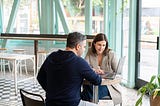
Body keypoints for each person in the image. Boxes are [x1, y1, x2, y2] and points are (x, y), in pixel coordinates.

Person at [37, 32, 102, 106]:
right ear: (78, 47)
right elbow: (97, 80)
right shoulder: (79, 61)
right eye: (84, 47)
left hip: (50, 103)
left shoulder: (51, 56)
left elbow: (40, 77)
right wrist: (91, 70)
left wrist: (53, 93)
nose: (84, 49)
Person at [81, 33, 122, 105]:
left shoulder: (111, 54)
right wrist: (94, 70)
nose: (101, 48)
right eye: (99, 45)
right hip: (93, 83)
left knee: (86, 93)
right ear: (94, 44)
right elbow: (85, 66)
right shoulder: (90, 51)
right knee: (88, 89)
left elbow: (117, 73)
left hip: (108, 85)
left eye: (104, 45)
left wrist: (105, 73)